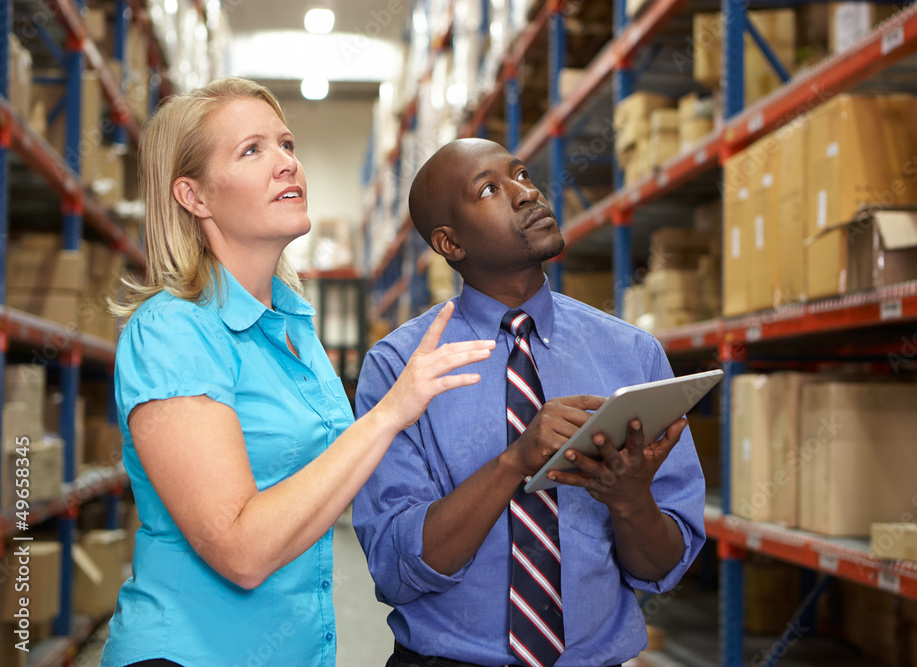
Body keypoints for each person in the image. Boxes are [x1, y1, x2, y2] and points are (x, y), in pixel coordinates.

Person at [100, 78, 495, 667]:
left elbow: (332, 483)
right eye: (252, 150)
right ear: (194, 196)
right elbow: (240, 549)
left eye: (286, 144)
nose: (287, 163)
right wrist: (388, 415)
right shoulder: (172, 332)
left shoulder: (291, 326)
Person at [352, 138, 707, 667]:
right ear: (450, 244)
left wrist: (630, 499)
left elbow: (662, 569)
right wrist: (515, 461)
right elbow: (398, 568)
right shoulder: (399, 367)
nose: (526, 193)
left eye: (521, 174)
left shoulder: (633, 355)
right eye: (491, 189)